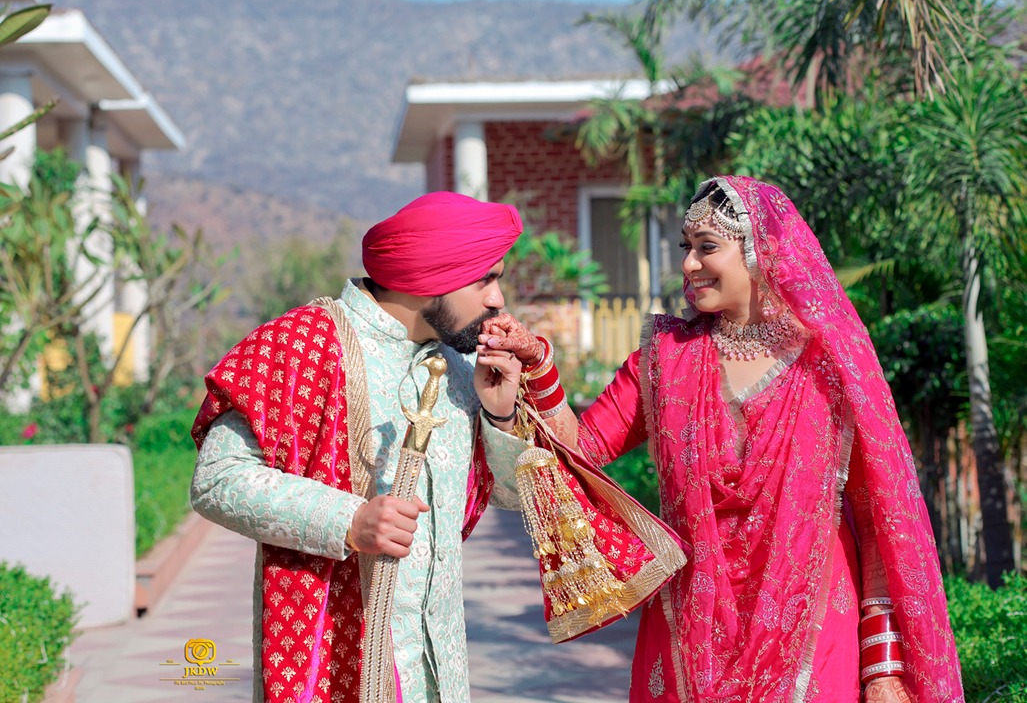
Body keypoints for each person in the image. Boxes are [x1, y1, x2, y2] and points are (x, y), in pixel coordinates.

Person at [480, 176, 963, 701]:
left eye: (707, 247)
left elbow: (880, 520)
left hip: (813, 632)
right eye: (686, 247)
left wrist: (884, 665)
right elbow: (581, 450)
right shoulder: (665, 357)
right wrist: (539, 366)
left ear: (761, 252)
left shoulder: (828, 366)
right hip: (690, 635)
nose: (689, 264)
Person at [189, 191, 533, 703]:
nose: (497, 299)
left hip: (441, 670)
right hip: (335, 658)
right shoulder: (302, 344)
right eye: (485, 279)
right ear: (430, 275)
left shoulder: (464, 371)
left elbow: (508, 495)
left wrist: (500, 414)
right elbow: (217, 480)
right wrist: (348, 520)